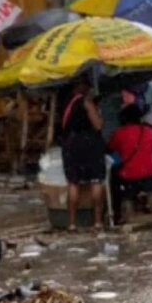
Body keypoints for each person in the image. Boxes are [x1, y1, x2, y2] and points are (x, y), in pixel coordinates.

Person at [59, 76, 107, 231]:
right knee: (96, 181)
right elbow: (98, 125)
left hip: (70, 146)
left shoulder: (65, 103)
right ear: (81, 87)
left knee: (73, 183)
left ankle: (72, 224)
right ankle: (97, 221)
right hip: (89, 145)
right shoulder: (86, 102)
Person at [108, 104, 152, 223]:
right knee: (151, 190)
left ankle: (128, 215)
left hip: (129, 173)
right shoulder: (149, 131)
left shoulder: (119, 133)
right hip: (149, 171)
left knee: (125, 192)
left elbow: (111, 147)